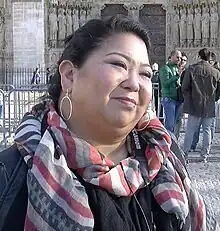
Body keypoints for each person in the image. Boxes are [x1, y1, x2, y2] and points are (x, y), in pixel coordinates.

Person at [0, 16, 211, 231]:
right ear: (69, 76)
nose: (134, 83)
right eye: (118, 64)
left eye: (145, 74)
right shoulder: (9, 177)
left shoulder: (165, 155)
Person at [182, 48, 220, 163]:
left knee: (190, 130)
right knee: (207, 130)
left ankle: (185, 153)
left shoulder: (192, 69)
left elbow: (184, 87)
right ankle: (204, 155)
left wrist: (189, 99)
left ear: (199, 56)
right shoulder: (216, 72)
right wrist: (215, 98)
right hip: (209, 104)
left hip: (194, 104)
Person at [159, 49, 182, 133]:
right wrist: (177, 76)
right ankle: (167, 143)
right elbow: (165, 83)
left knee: (176, 123)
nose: (179, 59)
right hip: (169, 98)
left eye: (180, 58)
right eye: (177, 57)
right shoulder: (165, 68)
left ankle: (173, 142)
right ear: (171, 56)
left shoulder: (177, 68)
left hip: (177, 98)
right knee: (169, 124)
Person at [174, 52, 188, 139]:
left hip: (182, 98)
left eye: (184, 60)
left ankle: (176, 137)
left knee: (179, 118)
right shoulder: (174, 69)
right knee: (172, 119)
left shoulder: (187, 72)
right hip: (173, 97)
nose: (182, 61)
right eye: (181, 59)